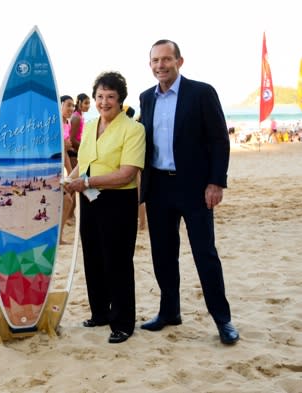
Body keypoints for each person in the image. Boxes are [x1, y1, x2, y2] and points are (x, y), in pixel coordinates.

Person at [138, 39, 239, 345]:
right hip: (158, 188)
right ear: (150, 64)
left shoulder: (201, 93)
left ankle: (223, 320)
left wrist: (216, 182)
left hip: (195, 188)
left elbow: (219, 140)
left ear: (180, 61)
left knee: (205, 254)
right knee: (163, 255)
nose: (160, 65)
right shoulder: (146, 98)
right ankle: (170, 312)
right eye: (155, 60)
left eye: (166, 59)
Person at [64, 72, 145, 344]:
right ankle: (100, 313)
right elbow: (83, 162)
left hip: (118, 202)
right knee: (94, 257)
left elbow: (126, 174)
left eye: (110, 96)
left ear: (121, 99)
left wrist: (85, 181)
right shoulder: (89, 126)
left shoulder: (133, 129)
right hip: (89, 199)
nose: (104, 101)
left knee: (118, 262)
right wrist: (71, 178)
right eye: (100, 96)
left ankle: (122, 323)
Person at [59, 95, 75, 244]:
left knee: (68, 200)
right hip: (52, 170)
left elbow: (66, 149)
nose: (71, 108)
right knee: (67, 200)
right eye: (68, 105)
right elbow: (62, 147)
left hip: (63, 164)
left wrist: (70, 173)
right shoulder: (55, 122)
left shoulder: (67, 123)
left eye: (73, 105)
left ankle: (59, 236)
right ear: (60, 104)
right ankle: (58, 237)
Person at [68, 93, 91, 169]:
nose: (88, 106)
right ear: (79, 103)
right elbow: (72, 139)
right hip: (74, 153)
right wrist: (85, 149)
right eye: (86, 103)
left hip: (76, 151)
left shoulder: (79, 116)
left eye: (89, 103)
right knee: (74, 179)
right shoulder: (76, 117)